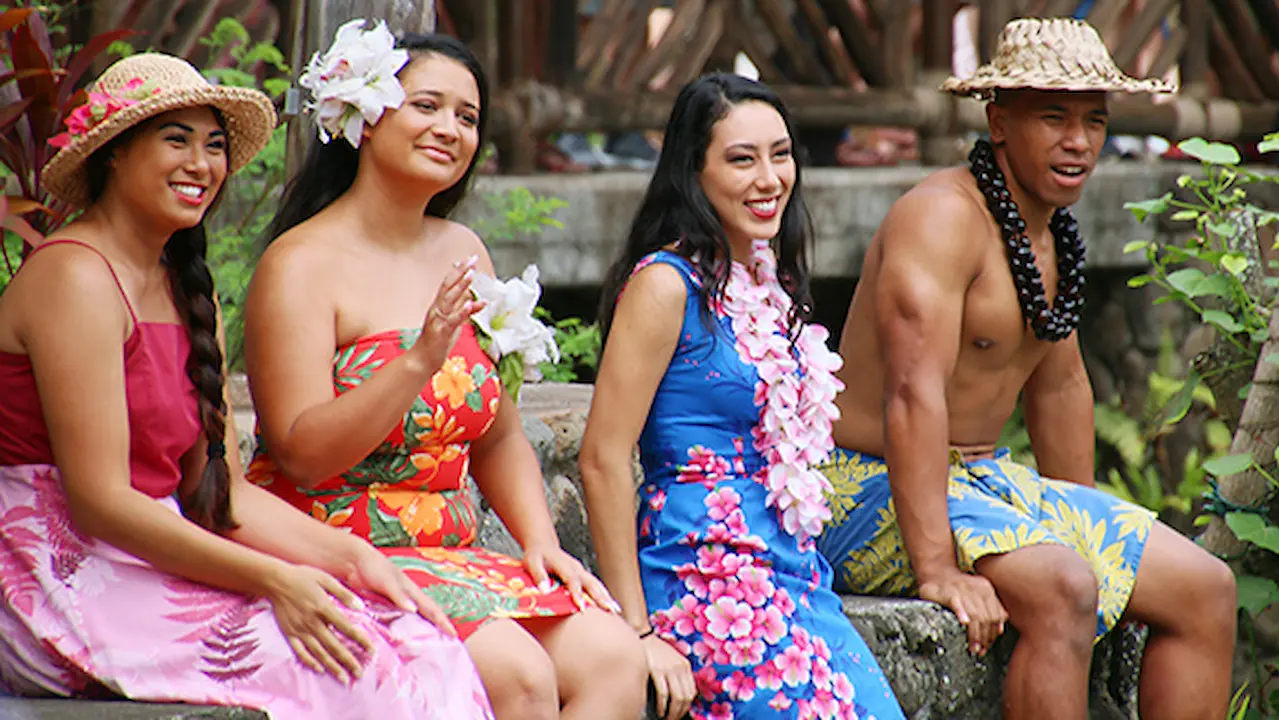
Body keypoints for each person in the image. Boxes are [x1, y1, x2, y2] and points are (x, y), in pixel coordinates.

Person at [0, 53, 492, 719]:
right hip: (52, 572)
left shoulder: (183, 291)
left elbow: (222, 496)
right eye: (175, 140)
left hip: (149, 547)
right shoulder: (76, 277)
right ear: (113, 154)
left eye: (214, 145)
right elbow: (100, 503)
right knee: (353, 666)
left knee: (422, 640)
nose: (201, 164)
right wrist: (277, 579)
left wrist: (353, 560)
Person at [815, 18, 1237, 720]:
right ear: (999, 121)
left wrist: (1087, 528)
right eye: (1054, 117)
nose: (1079, 141)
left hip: (981, 482)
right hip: (861, 480)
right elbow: (912, 392)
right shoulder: (941, 220)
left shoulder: (1044, 232)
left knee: (1206, 588)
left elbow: (1063, 385)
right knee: (1065, 586)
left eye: (1095, 121)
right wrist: (937, 571)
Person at [242, 21, 647, 720]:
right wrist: (418, 361)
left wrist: (541, 544)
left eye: (468, 117)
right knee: (519, 674)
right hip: (339, 549)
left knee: (615, 657)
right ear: (365, 115)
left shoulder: (464, 250)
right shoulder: (300, 265)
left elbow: (497, 435)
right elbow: (301, 454)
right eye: (426, 106)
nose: (451, 129)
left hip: (452, 551)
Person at [580, 72, 906, 720]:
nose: (769, 178)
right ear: (692, 170)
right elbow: (601, 459)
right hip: (704, 576)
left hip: (794, 572)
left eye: (780, 154)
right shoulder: (665, 286)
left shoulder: (765, 280)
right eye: (741, 159)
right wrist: (637, 633)